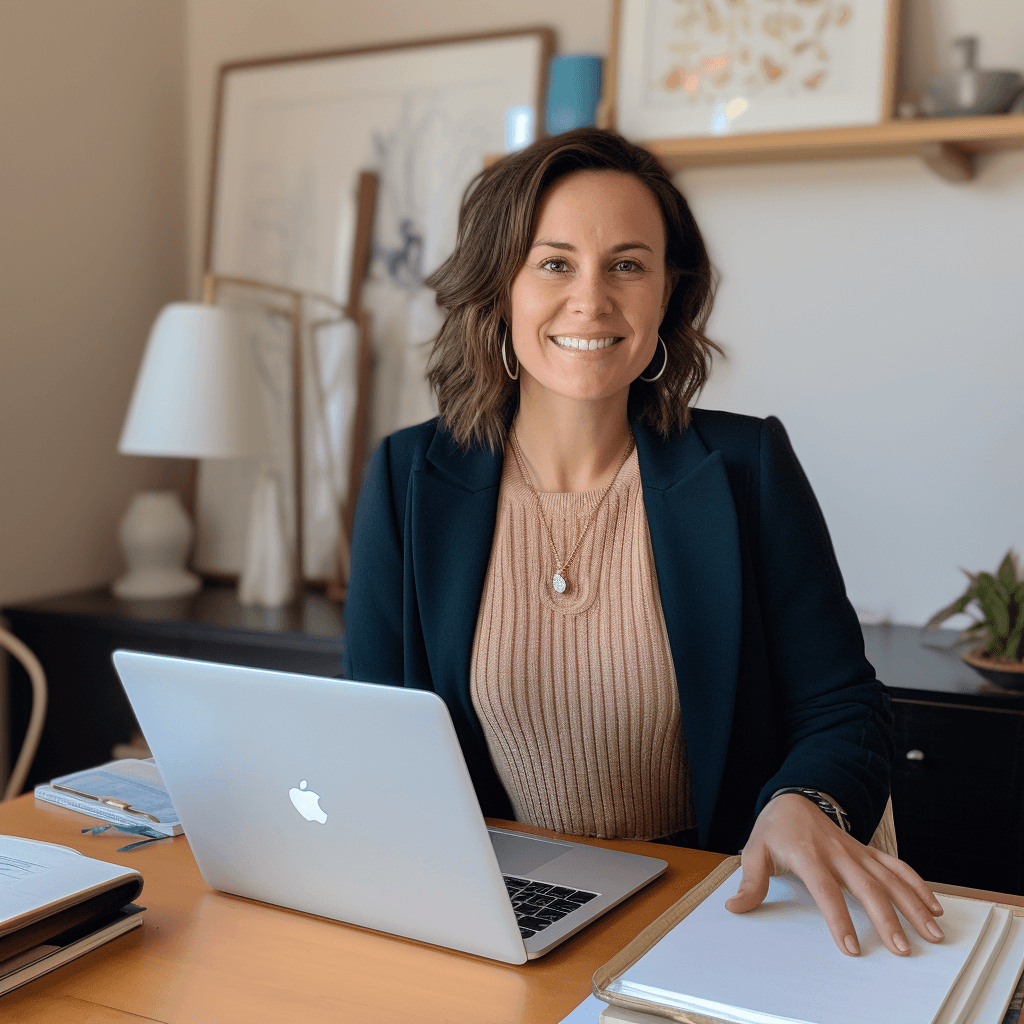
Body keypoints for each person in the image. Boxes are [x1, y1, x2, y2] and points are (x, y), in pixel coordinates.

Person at [343, 127, 943, 957]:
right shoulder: (408, 476)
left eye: (627, 264)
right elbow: (375, 733)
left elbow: (843, 705)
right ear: (499, 289)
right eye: (555, 263)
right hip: (505, 909)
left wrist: (805, 797)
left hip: (715, 902)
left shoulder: (746, 465)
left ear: (667, 292)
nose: (591, 299)